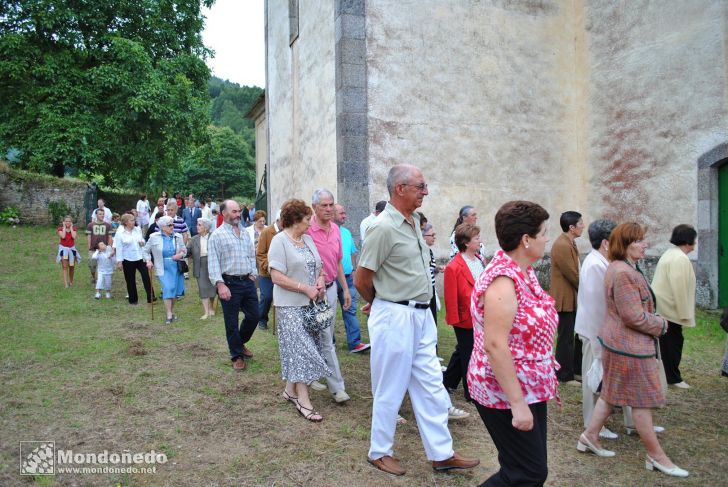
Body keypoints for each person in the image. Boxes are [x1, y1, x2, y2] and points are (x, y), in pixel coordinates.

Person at [356, 164, 480, 477]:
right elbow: (362, 278)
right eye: (420, 186)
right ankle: (379, 451)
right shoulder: (383, 227)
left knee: (429, 385)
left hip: (421, 315)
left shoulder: (412, 223)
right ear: (400, 189)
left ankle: (442, 453)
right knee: (390, 388)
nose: (425, 192)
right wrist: (382, 304)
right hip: (395, 315)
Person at [577, 223, 688, 478]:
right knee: (640, 399)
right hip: (629, 345)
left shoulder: (624, 267)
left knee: (611, 392)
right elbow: (632, 316)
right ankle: (656, 456)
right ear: (625, 245)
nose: (644, 244)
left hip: (622, 343)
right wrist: (661, 324)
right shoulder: (622, 272)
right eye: (638, 241)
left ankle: (589, 436)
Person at [466, 200, 556, 486]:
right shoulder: (503, 280)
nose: (546, 238)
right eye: (543, 233)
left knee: (523, 469)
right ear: (526, 240)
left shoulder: (524, 271)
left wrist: (545, 377)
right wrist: (517, 403)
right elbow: (495, 344)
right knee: (526, 473)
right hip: (504, 390)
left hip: (528, 386)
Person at [268, 198, 330, 422]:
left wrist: (320, 282)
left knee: (301, 347)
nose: (310, 224)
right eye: (306, 219)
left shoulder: (308, 240)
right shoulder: (279, 241)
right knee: (302, 350)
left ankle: (289, 390)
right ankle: (303, 401)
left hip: (310, 305)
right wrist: (304, 288)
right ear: (294, 220)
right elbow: (275, 276)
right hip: (289, 306)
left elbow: (319, 267)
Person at [574, 219, 635, 439]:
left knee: (611, 378)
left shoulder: (602, 261)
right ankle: (592, 423)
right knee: (593, 378)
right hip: (596, 333)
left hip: (604, 332)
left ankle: (632, 422)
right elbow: (596, 306)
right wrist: (598, 339)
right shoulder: (595, 265)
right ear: (606, 243)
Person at [306, 189, 351, 402]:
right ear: (314, 207)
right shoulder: (306, 231)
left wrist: (346, 290)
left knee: (324, 334)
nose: (329, 209)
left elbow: (339, 262)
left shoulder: (336, 230)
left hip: (331, 290)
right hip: (311, 292)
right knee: (322, 336)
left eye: (331, 204)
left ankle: (313, 373)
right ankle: (337, 387)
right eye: (324, 205)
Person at [207, 199, 259, 371]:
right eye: (234, 211)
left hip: (247, 281)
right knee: (231, 322)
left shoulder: (244, 233)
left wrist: (253, 273)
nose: (238, 214)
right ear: (224, 214)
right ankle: (236, 355)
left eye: (239, 211)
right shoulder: (217, 235)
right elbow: (213, 263)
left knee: (254, 316)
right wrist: (220, 285)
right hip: (229, 283)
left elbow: (251, 256)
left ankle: (239, 342)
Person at [651, 224, 697, 389]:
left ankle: (668, 375)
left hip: (663, 307)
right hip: (670, 309)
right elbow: (680, 287)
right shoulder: (680, 258)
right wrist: (684, 313)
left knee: (667, 343)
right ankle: (673, 378)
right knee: (673, 343)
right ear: (689, 241)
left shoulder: (671, 254)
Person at [443, 223, 485, 403]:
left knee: (463, 350)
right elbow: (450, 296)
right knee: (469, 353)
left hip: (481, 315)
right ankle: (472, 392)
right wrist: (455, 320)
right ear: (466, 243)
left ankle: (448, 381)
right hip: (465, 318)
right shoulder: (454, 266)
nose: (480, 241)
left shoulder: (480, 261)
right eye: (476, 238)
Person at [551, 210, 584, 384]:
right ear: (571, 227)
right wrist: (587, 289)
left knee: (577, 336)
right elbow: (572, 274)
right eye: (580, 224)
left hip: (572, 297)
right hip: (565, 298)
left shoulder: (569, 242)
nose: (583, 226)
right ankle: (563, 374)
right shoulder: (562, 245)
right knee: (566, 337)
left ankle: (575, 370)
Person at [334, 203, 370, 353]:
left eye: (345, 213)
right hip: (331, 278)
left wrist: (354, 269)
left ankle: (354, 343)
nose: (345, 216)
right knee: (328, 312)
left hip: (348, 278)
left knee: (351, 309)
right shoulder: (328, 232)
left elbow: (353, 252)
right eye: (341, 213)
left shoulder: (347, 233)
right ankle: (329, 344)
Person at [144, 216, 186, 324]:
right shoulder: (154, 237)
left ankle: (170, 312)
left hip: (176, 266)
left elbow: (184, 250)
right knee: (168, 287)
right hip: (162, 266)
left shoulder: (178, 236)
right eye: (169, 225)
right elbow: (145, 251)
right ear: (162, 227)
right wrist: (148, 260)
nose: (172, 227)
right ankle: (168, 314)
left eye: (173, 224)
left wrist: (180, 254)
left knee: (175, 291)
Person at [114, 213, 153, 305]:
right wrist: (119, 262)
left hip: (140, 257)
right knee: (130, 280)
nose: (134, 221)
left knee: (146, 277)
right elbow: (119, 248)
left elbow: (142, 240)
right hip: (128, 259)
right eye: (131, 220)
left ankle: (151, 297)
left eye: (133, 220)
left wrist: (142, 242)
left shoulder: (137, 229)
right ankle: (133, 299)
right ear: (126, 223)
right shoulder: (120, 233)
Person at [186, 219, 217, 320]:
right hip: (199, 265)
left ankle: (211, 306)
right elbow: (187, 251)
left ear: (206, 228)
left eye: (199, 225)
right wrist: (180, 253)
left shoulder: (214, 236)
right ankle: (206, 312)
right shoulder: (194, 239)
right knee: (203, 288)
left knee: (212, 287)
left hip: (212, 264)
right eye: (197, 225)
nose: (197, 227)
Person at [256, 210, 281, 331]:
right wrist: (268, 266)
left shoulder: (287, 232)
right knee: (266, 297)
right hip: (266, 273)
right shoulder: (267, 232)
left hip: (283, 272)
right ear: (278, 220)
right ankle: (262, 319)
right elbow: (260, 253)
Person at [86, 208, 112, 285]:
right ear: (96, 215)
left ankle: (103, 279)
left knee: (104, 264)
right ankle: (93, 276)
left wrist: (109, 247)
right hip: (93, 248)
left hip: (104, 248)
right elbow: (89, 236)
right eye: (100, 214)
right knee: (92, 264)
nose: (102, 215)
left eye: (103, 214)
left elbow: (110, 237)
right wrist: (89, 247)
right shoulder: (90, 225)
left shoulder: (108, 225)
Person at [57, 215, 80, 287]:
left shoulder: (74, 229)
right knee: (65, 266)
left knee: (72, 266)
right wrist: (64, 227)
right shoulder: (60, 229)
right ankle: (66, 284)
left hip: (71, 249)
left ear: (71, 222)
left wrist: (71, 228)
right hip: (64, 250)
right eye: (66, 221)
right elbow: (63, 236)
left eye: (69, 221)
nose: (68, 223)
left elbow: (74, 237)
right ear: (64, 222)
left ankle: (71, 282)